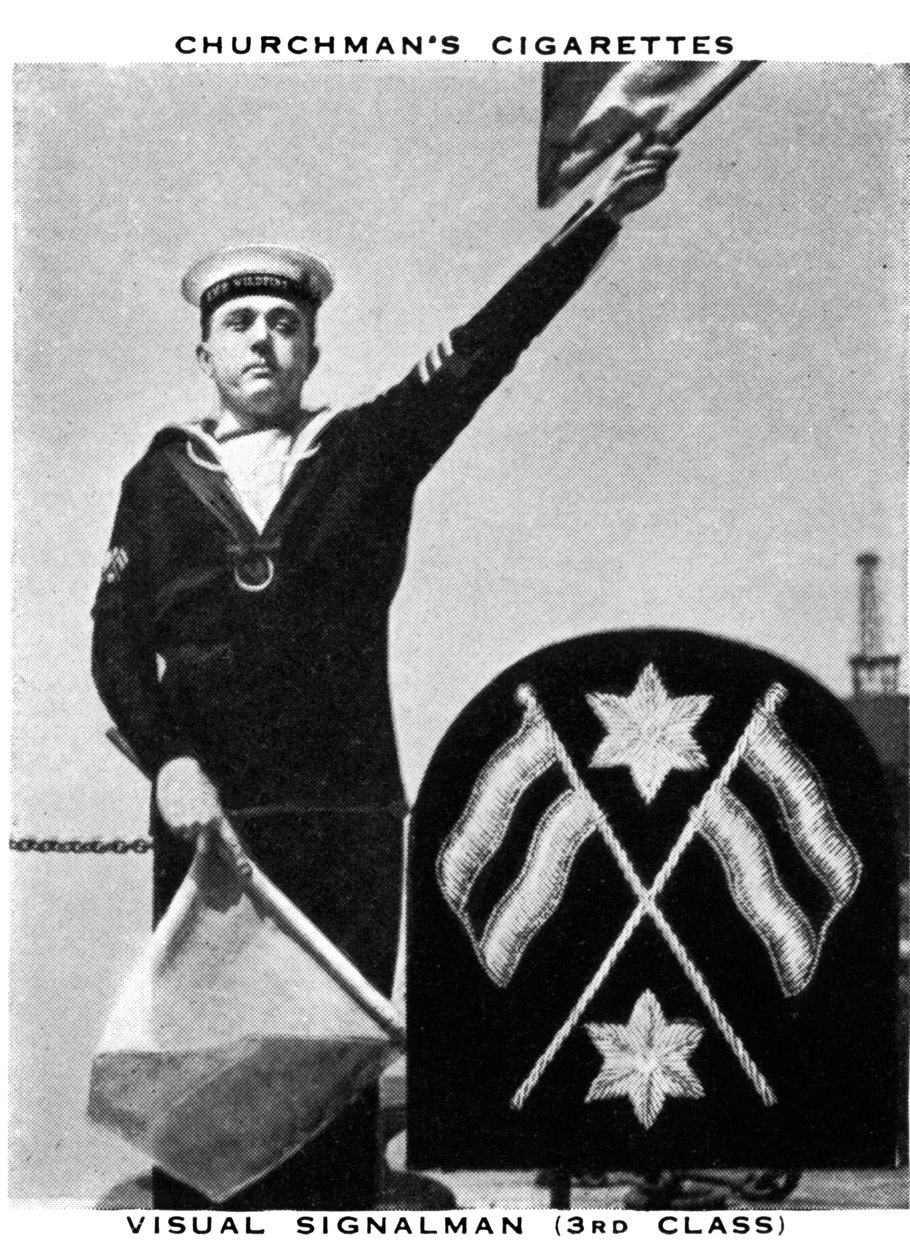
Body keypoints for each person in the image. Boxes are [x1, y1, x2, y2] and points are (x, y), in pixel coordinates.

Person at [91, 143, 680, 1209]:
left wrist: (601, 218)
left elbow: (487, 345)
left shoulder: (368, 449)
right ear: (204, 352)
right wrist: (170, 762)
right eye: (239, 323)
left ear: (312, 347)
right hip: (207, 819)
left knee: (331, 1086)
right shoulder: (158, 479)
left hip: (347, 813)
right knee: (205, 1091)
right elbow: (116, 644)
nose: (261, 338)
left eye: (283, 322)